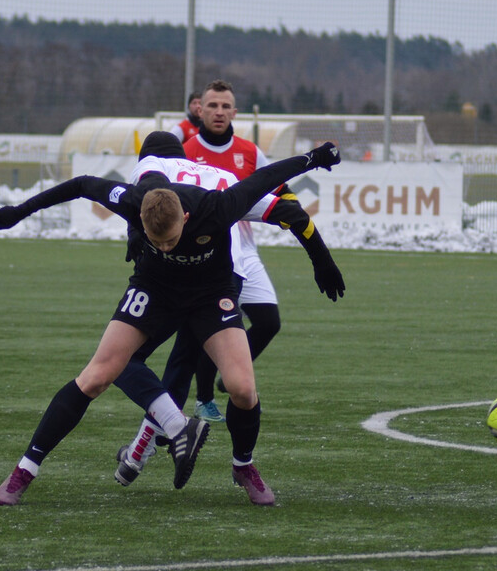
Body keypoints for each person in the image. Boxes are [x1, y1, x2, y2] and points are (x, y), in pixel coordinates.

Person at [0, 133, 342, 505]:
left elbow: (269, 177)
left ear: (186, 218)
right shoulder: (134, 200)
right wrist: (18, 212)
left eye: (171, 240)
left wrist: (316, 164)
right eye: (155, 241)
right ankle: (24, 471)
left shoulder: (217, 207)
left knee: (241, 388)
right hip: (156, 288)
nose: (164, 246)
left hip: (210, 292)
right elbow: (80, 186)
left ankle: (243, 466)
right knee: (97, 375)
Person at [112, 128, 345, 505]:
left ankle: (149, 447)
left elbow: (108, 196)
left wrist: (133, 237)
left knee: (160, 361)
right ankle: (160, 450)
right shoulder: (213, 180)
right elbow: (287, 207)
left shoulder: (151, 175)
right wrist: (321, 258)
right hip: (215, 277)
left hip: (198, 280)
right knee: (193, 365)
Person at [185, 79, 282, 422]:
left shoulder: (250, 152)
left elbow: (280, 190)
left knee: (269, 320)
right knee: (205, 328)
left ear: (235, 112)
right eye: (213, 105)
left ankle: (231, 376)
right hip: (203, 255)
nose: (219, 112)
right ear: (200, 108)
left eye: (226, 106)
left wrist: (295, 218)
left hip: (243, 250)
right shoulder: (184, 151)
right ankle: (203, 398)